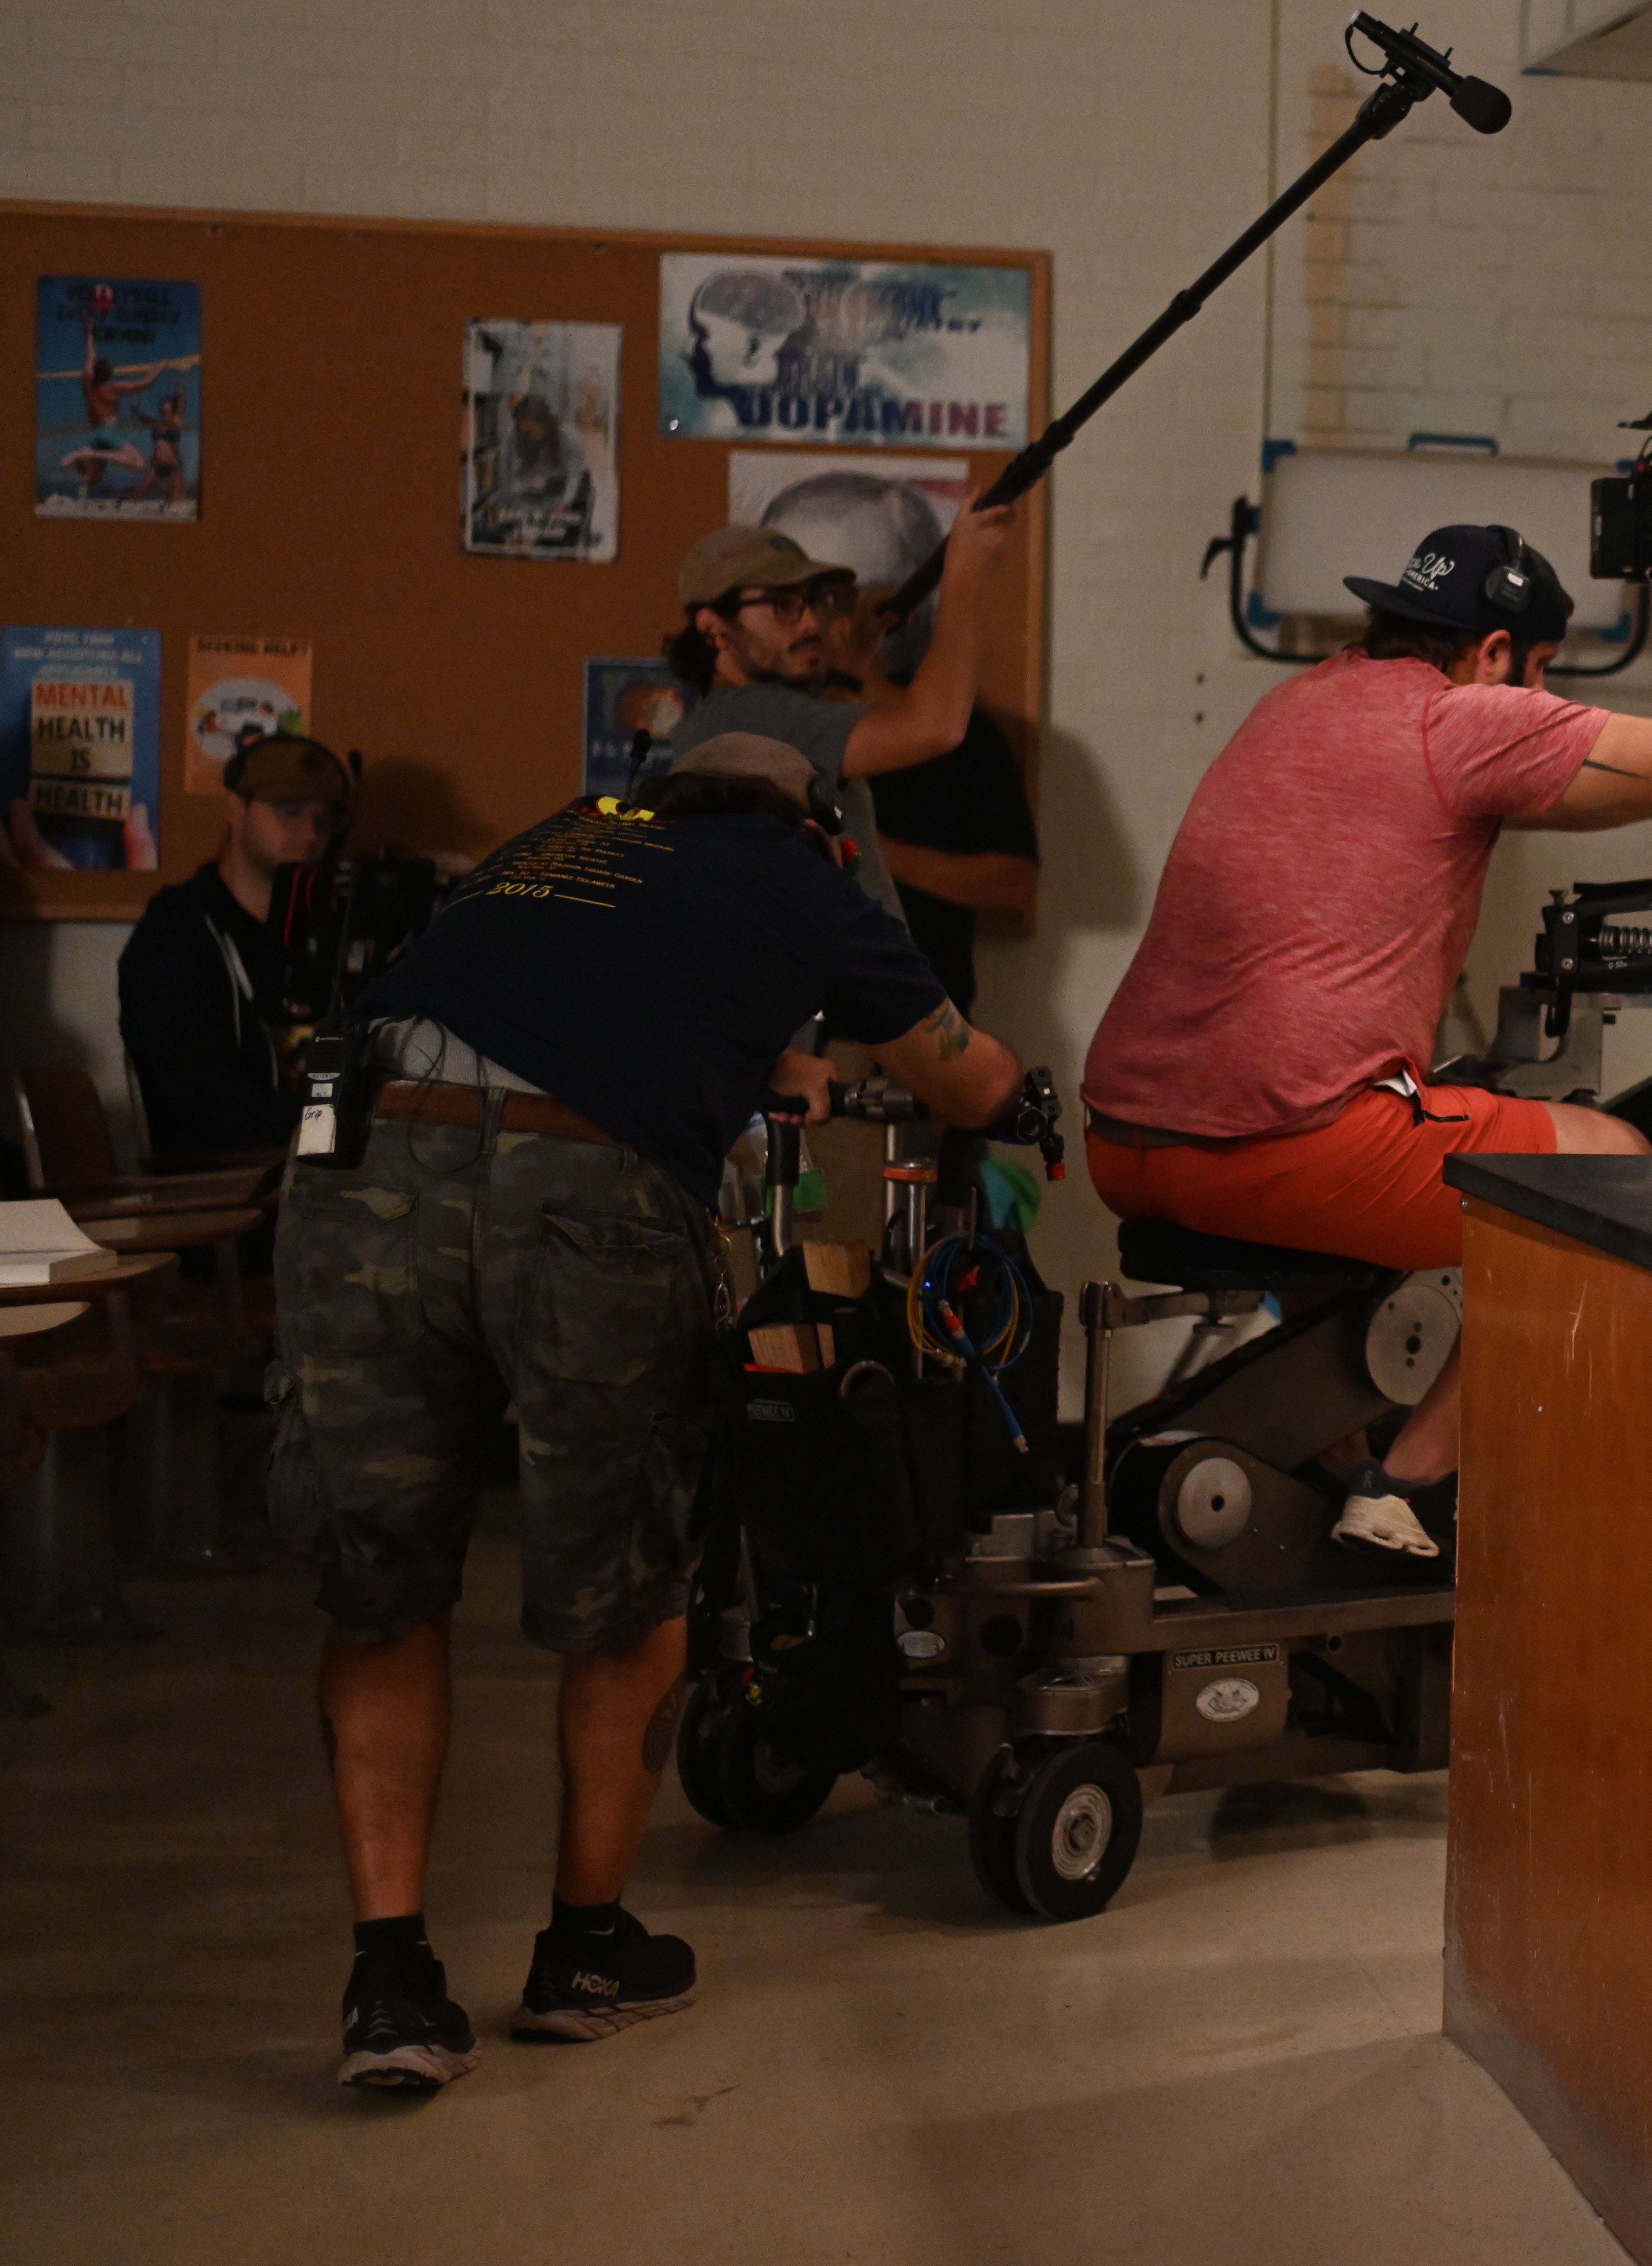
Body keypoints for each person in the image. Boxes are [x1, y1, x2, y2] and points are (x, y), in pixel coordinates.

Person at [273, 733, 1025, 2094]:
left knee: (380, 1589)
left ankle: (389, 1981)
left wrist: (748, 1067)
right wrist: (1019, 1086)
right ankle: (586, 1953)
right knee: (630, 1590)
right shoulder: (803, 882)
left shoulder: (562, 837)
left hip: (361, 1163)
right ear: (812, 826)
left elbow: (571, 1003)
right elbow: (966, 1081)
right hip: (584, 1198)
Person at [1080, 525, 1652, 1559]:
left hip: (1126, 1141)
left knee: (1408, 1164)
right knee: (1614, 1171)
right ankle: (1406, 1486)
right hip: (1281, 1152)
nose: (1538, 699)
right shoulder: (1455, 720)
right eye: (1538, 677)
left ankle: (1311, 1465)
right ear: (1491, 657)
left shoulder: (1302, 700)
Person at [654, 496, 1015, 918]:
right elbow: (938, 727)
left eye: (815, 600)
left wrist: (854, 666)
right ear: (714, 627)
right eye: (782, 605)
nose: (810, 623)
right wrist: (966, 576)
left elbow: (827, 750)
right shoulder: (749, 719)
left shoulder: (740, 719)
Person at [771, 471, 1040, 1012]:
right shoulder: (777, 725)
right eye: (796, 603)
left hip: (919, 1016)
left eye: (840, 600)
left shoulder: (964, 734)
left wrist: (878, 855)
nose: (817, 624)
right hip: (802, 1022)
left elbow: (1013, 882)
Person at [116, 731, 349, 1159]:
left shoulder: (326, 934)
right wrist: (339, 1129)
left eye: (324, 818)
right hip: (222, 1183)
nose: (311, 831)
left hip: (310, 1169)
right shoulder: (177, 935)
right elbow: (202, 1106)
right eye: (290, 811)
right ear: (236, 810)